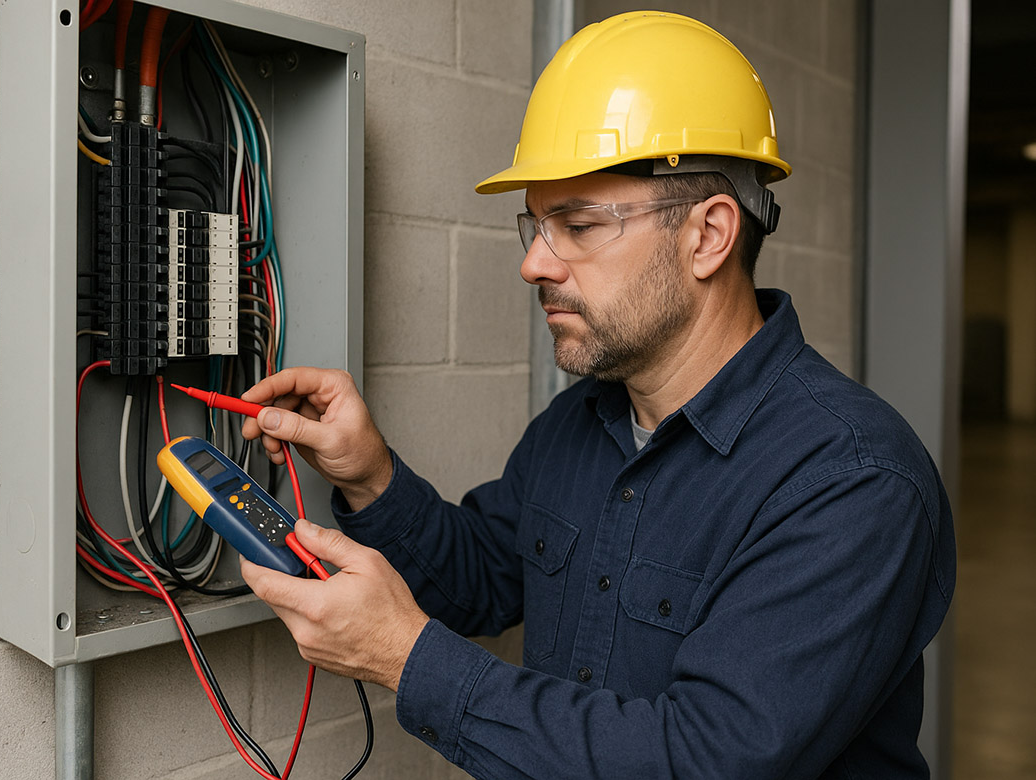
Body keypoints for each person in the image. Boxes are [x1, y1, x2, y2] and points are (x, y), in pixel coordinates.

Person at [239, 11, 956, 779]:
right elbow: (482, 579)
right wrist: (369, 473)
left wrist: (408, 661)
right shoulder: (583, 420)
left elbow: (703, 760)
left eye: (578, 225)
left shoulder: (851, 481)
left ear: (709, 236)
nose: (534, 265)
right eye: (537, 226)